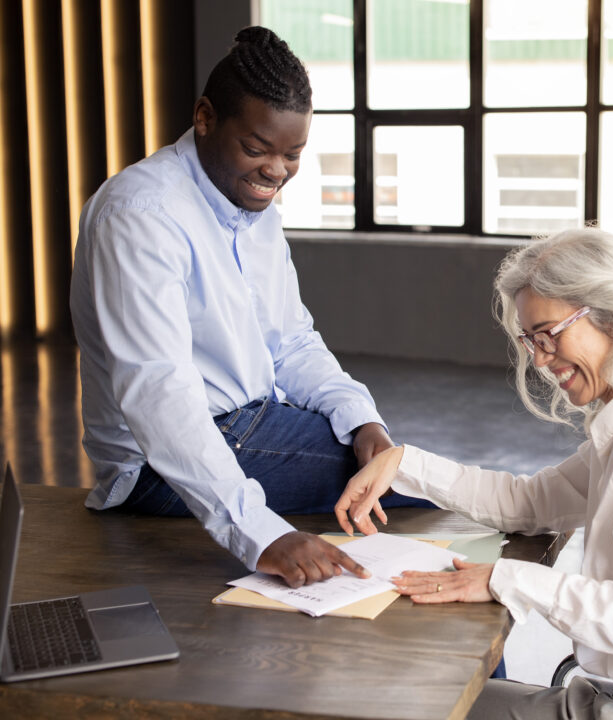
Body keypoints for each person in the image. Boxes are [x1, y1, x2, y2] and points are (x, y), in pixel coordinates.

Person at [335, 228, 613, 719]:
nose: (540, 359)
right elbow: (532, 504)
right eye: (529, 340)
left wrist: (507, 579)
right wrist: (403, 462)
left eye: (549, 334)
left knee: (424, 703)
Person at [70, 26, 428, 590]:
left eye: (293, 155)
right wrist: (260, 533)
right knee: (426, 489)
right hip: (160, 465)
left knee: (398, 472)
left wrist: (361, 418)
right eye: (257, 149)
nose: (275, 172)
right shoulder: (140, 214)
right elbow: (157, 389)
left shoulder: (250, 205)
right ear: (205, 118)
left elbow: (291, 342)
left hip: (251, 423)